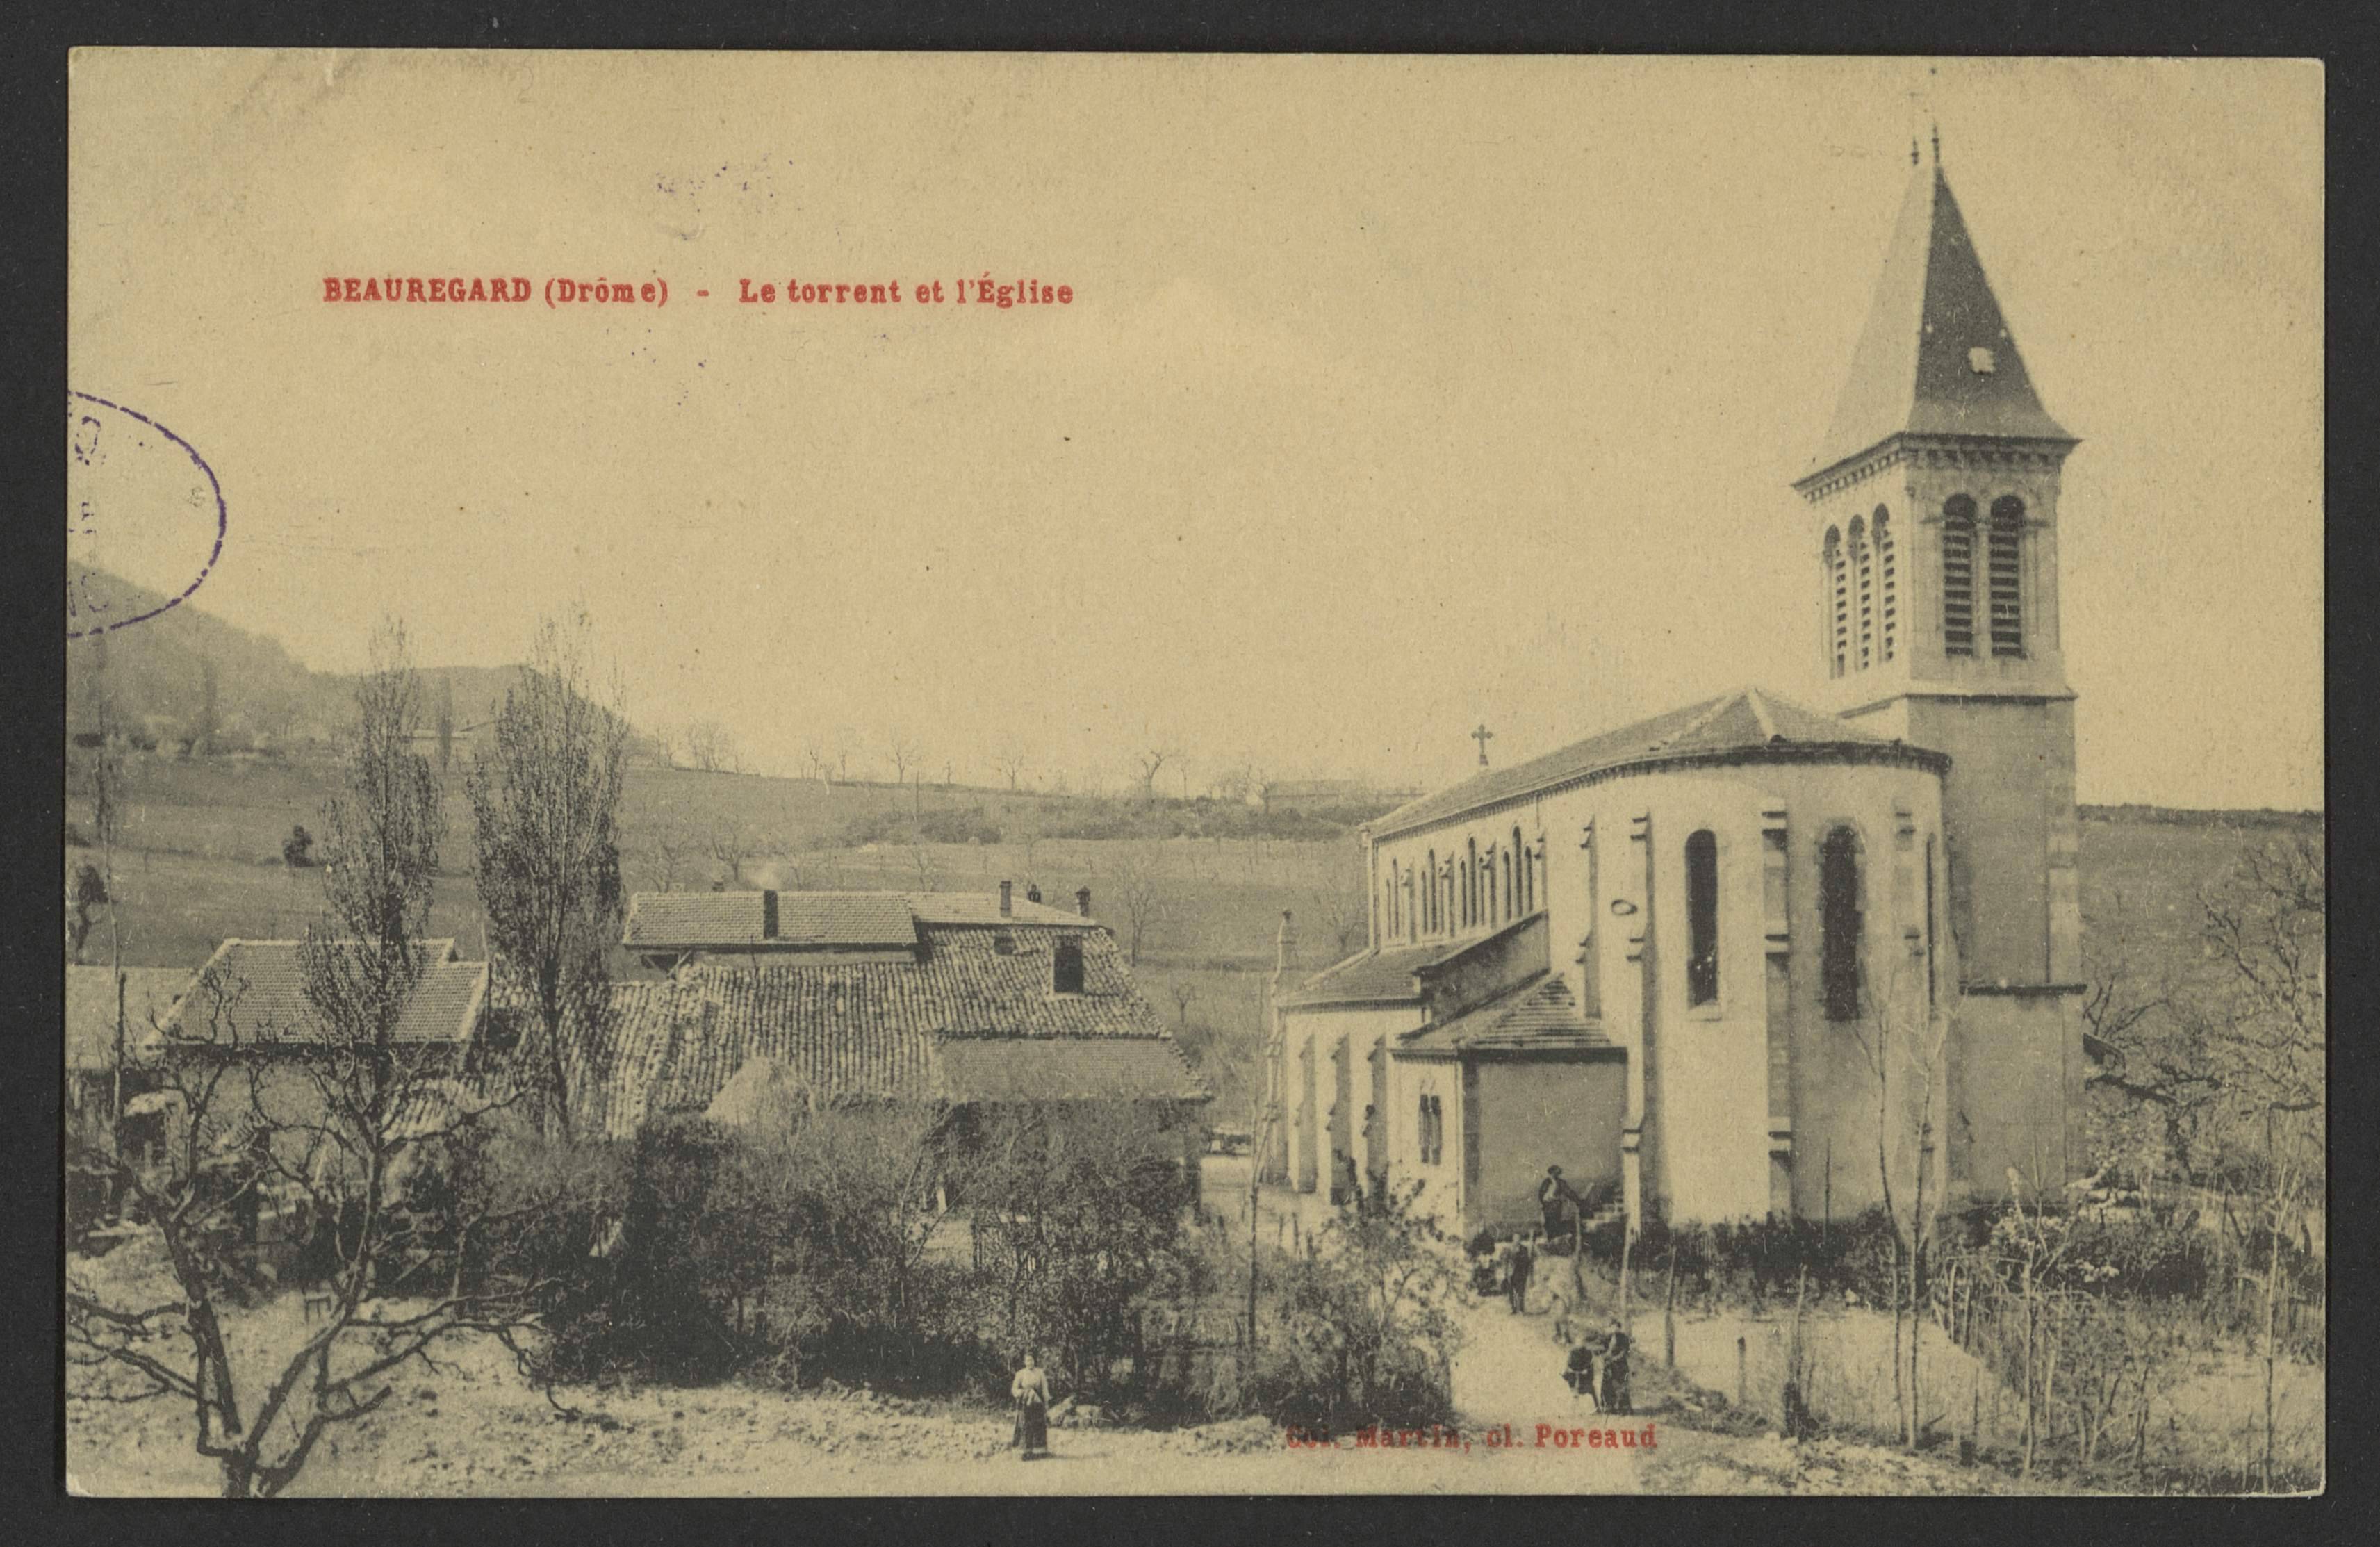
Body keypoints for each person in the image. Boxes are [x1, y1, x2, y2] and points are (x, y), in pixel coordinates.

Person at [1011, 1350, 1053, 1459]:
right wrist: (1023, 1393)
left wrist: (1046, 1402)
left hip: (1037, 1403)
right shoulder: (1020, 1374)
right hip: (1025, 1403)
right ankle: (1025, 1452)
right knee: (1025, 1426)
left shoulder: (1040, 1372)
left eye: (1032, 1360)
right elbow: (1014, 1389)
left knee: (1038, 1426)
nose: (1030, 1363)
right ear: (1025, 1362)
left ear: (1035, 1361)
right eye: (1028, 1361)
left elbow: (1044, 1389)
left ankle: (1039, 1452)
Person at [1538, 1165, 1584, 1240]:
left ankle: (1554, 1241)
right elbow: (1541, 1195)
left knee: (1554, 1226)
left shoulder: (1560, 1183)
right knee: (1550, 1227)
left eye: (1556, 1173)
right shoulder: (1546, 1182)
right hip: (1548, 1208)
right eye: (1552, 1173)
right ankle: (1552, 1242)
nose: (1553, 1175)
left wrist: (1578, 1201)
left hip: (1555, 1208)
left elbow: (1569, 1192)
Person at [1598, 1318, 1632, 1416]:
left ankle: (1623, 1409)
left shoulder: (1624, 1338)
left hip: (1620, 1366)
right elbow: (1602, 1348)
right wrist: (1602, 1355)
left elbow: (1624, 1352)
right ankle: (1608, 1407)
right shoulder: (1608, 1337)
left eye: (1616, 1326)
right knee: (1607, 1386)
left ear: (1619, 1327)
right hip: (1609, 1366)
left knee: (1621, 1386)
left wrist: (1615, 1359)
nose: (1614, 1328)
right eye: (1611, 1326)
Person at [1564, 1336, 1600, 1412]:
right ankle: (1573, 1408)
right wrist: (1570, 1369)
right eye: (1578, 1342)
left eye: (1581, 1342)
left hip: (1585, 1375)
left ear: (1584, 1343)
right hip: (1575, 1373)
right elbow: (1569, 1362)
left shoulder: (1588, 1352)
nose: (1580, 1344)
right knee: (1573, 1388)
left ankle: (1597, 1407)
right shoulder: (1573, 1352)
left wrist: (1585, 1370)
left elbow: (1589, 1363)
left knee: (1590, 1390)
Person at [1507, 1233, 1535, 1315]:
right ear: (1513, 1239)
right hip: (1511, 1273)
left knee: (1521, 1292)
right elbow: (1507, 1261)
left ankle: (1521, 1310)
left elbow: (1527, 1262)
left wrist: (1528, 1273)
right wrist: (1507, 1273)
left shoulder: (1524, 1249)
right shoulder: (1510, 1249)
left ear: (1520, 1240)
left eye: (1518, 1238)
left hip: (1521, 1273)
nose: (1517, 1240)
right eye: (1515, 1238)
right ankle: (1514, 1309)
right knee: (1511, 1292)